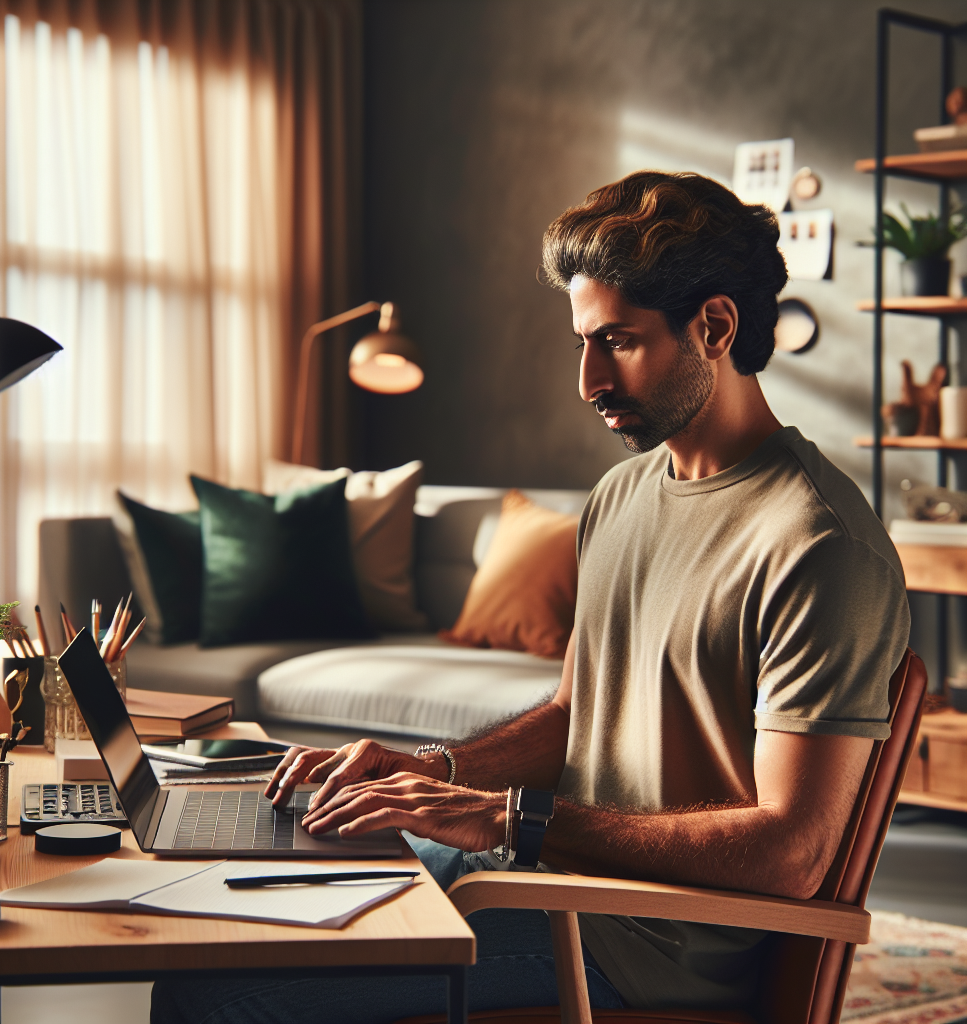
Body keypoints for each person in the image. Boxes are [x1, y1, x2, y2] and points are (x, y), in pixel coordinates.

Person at [151, 171, 910, 1023]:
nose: (588, 380)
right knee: (237, 899)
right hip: (543, 883)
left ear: (716, 327)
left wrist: (511, 821)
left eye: (617, 341)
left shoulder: (818, 544)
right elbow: (572, 715)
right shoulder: (621, 497)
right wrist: (431, 775)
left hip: (640, 944)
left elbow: (792, 853)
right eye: (581, 342)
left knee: (214, 992)